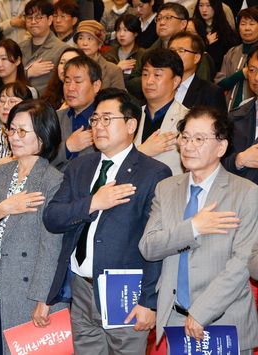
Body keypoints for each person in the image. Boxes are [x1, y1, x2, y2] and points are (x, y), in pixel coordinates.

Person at [44, 88, 172, 355]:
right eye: (95, 119)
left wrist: (149, 301)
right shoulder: (81, 166)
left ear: (131, 125)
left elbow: (157, 243)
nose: (98, 126)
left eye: (107, 119)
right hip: (80, 287)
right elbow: (53, 217)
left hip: (125, 294)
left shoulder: (154, 173)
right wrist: (93, 203)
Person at [139, 106, 258, 355]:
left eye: (200, 139)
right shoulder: (166, 188)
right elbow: (149, 247)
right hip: (174, 319)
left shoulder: (245, 192)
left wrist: (201, 311)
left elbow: (241, 263)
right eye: (185, 137)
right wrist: (192, 228)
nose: (189, 145)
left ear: (221, 147)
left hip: (224, 321)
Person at [0, 99, 65, 354]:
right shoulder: (1, 172)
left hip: (28, 289)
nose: (14, 137)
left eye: (23, 131)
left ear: (43, 136)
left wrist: (44, 298)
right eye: (11, 129)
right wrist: (2, 208)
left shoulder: (53, 180)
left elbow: (51, 247)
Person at [135, 48, 187, 175]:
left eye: (157, 75)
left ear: (176, 81)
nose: (149, 81)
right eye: (145, 74)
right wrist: (142, 151)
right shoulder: (130, 117)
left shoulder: (188, 119)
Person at [51, 56, 101, 170]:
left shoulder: (106, 121)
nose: (70, 88)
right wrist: (67, 147)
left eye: (78, 81)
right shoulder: (55, 118)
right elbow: (40, 162)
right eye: (67, 81)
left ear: (96, 85)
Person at [222, 46, 258, 185]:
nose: (256, 78)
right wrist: (238, 160)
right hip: (238, 198)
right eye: (252, 70)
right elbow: (218, 162)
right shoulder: (235, 116)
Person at [20, 0, 69, 95]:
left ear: (50, 20)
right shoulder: (19, 47)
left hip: (46, 105)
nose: (33, 22)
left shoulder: (62, 50)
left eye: (38, 17)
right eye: (29, 17)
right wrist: (27, 73)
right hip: (18, 102)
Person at [169, 31, 226, 111]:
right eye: (172, 51)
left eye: (181, 51)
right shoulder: (159, 85)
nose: (175, 55)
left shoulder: (211, 93)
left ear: (196, 58)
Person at [215, 7, 258, 111]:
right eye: (243, 24)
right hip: (229, 111)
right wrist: (242, 74)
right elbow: (219, 84)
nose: (247, 28)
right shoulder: (232, 52)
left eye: (251, 24)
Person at [74, 20, 126, 90]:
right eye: (80, 38)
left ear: (99, 44)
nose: (84, 43)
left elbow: (119, 99)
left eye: (89, 39)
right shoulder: (70, 66)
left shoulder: (113, 70)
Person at [194, 0, 238, 72]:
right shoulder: (194, 27)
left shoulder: (225, 30)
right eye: (201, 5)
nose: (204, 10)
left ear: (216, 7)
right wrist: (206, 44)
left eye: (208, 5)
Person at [105, 14, 146, 83]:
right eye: (118, 30)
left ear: (135, 33)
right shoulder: (109, 54)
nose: (121, 34)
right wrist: (117, 69)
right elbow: (103, 80)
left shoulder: (143, 54)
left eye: (125, 30)